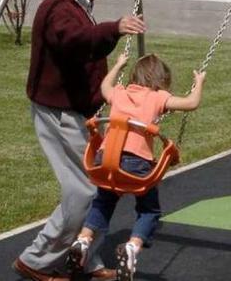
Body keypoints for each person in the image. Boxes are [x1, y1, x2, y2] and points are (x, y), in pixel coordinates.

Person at [13, 0, 146, 281]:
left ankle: (85, 258)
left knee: (97, 184)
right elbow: (73, 40)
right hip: (59, 114)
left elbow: (84, 49)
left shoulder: (75, 6)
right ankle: (38, 259)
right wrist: (113, 28)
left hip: (76, 112)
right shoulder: (58, 9)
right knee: (83, 190)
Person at [66, 53, 206, 281]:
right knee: (149, 210)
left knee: (104, 200)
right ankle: (132, 247)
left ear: (133, 75)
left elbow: (104, 87)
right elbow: (191, 103)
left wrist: (118, 65)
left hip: (105, 160)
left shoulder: (119, 92)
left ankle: (83, 240)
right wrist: (199, 83)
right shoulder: (157, 96)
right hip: (135, 164)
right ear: (161, 80)